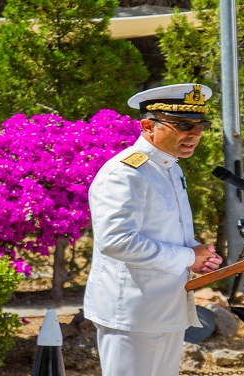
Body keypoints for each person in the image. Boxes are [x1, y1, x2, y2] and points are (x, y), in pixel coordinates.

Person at [83, 83, 224, 376]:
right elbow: (116, 241)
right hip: (133, 312)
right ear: (148, 125)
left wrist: (199, 254)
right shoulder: (126, 172)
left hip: (165, 306)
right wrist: (188, 257)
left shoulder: (170, 167)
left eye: (202, 125)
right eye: (184, 124)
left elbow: (167, 230)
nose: (195, 134)